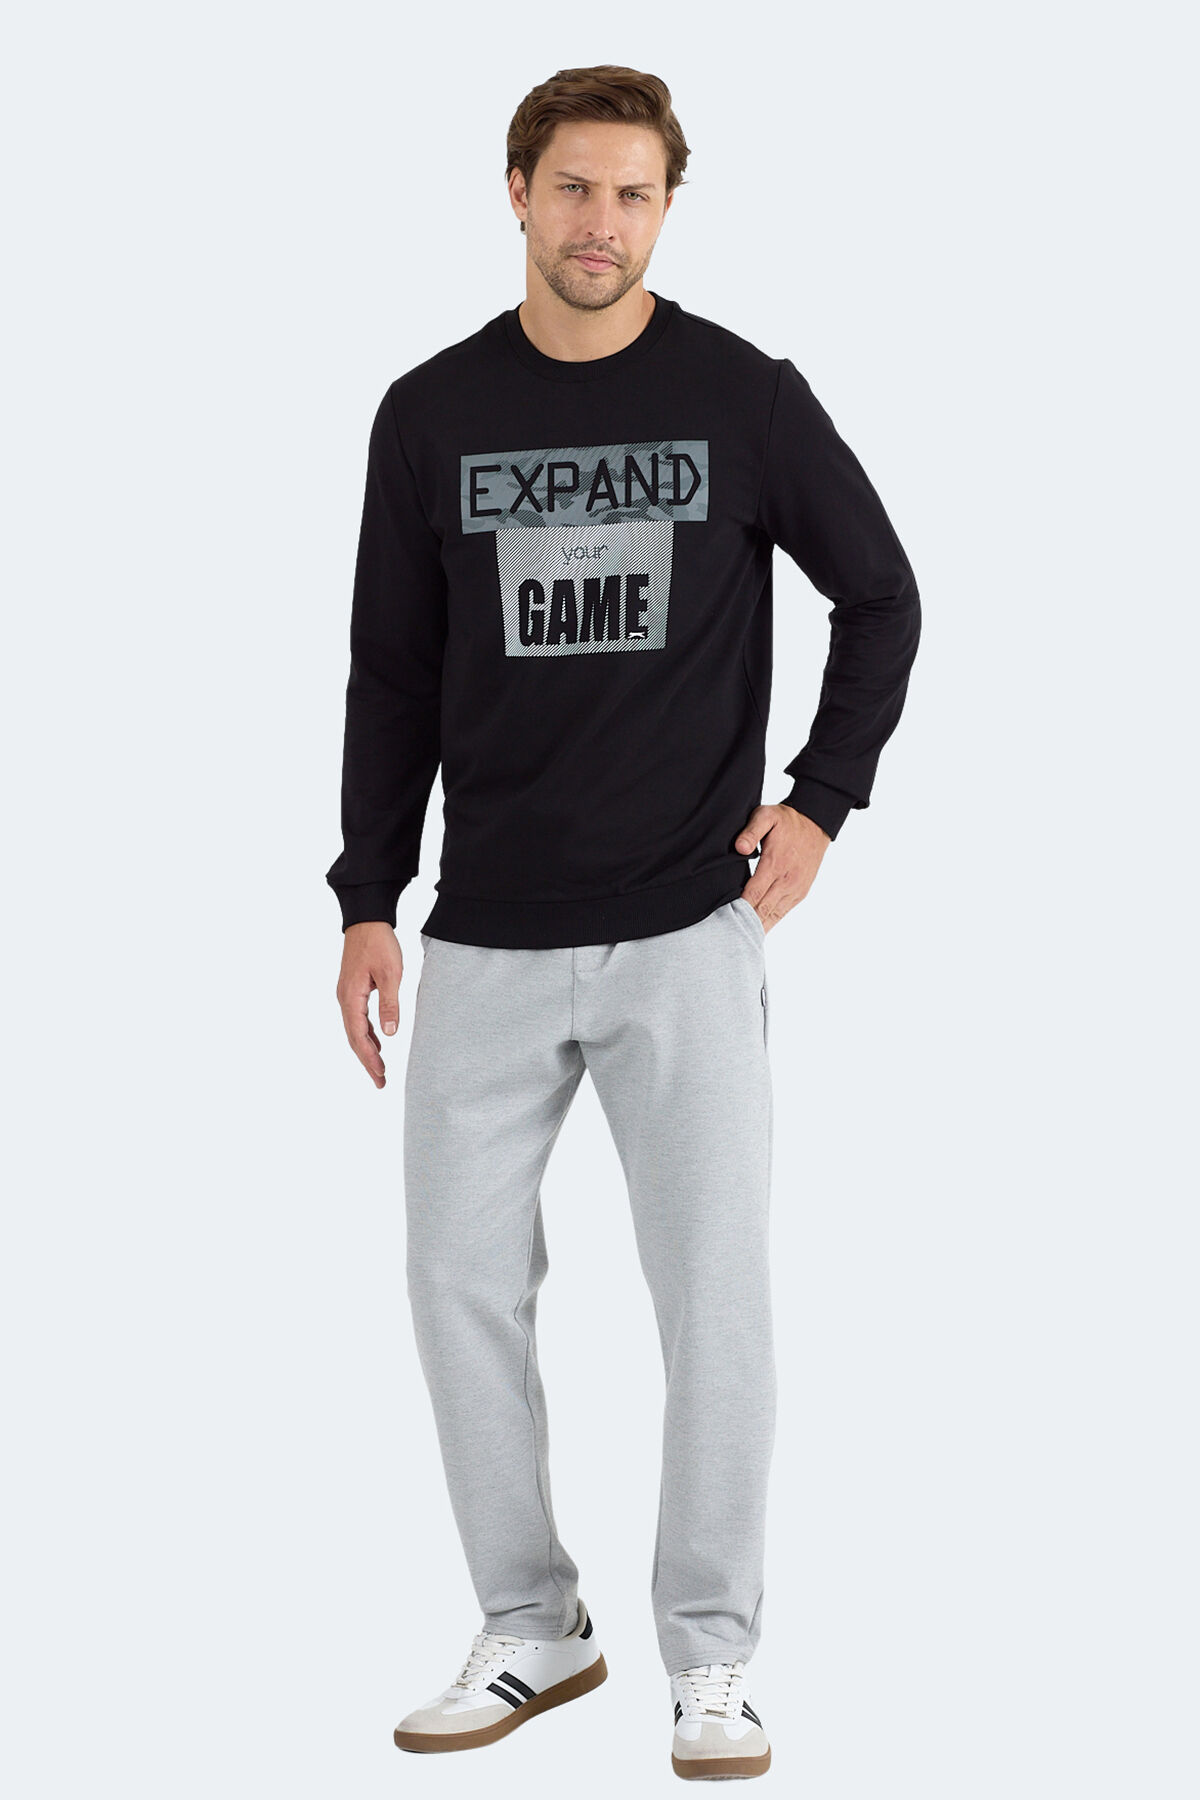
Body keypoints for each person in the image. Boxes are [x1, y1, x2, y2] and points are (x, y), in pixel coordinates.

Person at [326, 63, 921, 1782]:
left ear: (667, 208)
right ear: (517, 191)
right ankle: (535, 1624)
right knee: (455, 1285)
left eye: (634, 194)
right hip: (485, 936)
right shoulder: (429, 414)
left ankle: (712, 1658)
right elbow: (391, 674)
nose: (602, 224)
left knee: (714, 1300)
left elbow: (882, 595)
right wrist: (368, 896)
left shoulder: (744, 397)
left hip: (683, 928)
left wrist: (822, 799)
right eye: (574, 188)